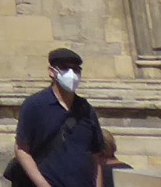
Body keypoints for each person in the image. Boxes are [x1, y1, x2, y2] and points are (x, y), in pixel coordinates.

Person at [13, 48, 107, 187]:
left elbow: (96, 155)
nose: (72, 74)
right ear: (52, 72)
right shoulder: (35, 105)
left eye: (76, 70)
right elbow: (21, 149)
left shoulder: (85, 109)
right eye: (65, 68)